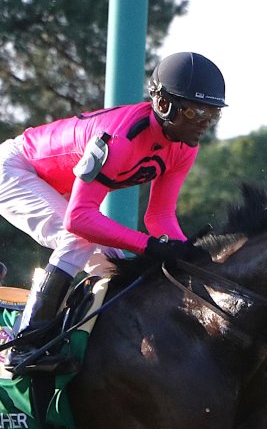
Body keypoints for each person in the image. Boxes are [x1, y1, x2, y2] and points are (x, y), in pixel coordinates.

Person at [0, 51, 223, 373]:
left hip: (58, 185)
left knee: (112, 267)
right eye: (195, 111)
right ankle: (25, 345)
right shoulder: (120, 139)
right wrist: (150, 246)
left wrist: (189, 254)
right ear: (163, 104)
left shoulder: (185, 147)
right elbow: (79, 219)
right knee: (77, 239)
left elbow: (159, 217)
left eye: (212, 113)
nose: (204, 122)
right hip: (15, 170)